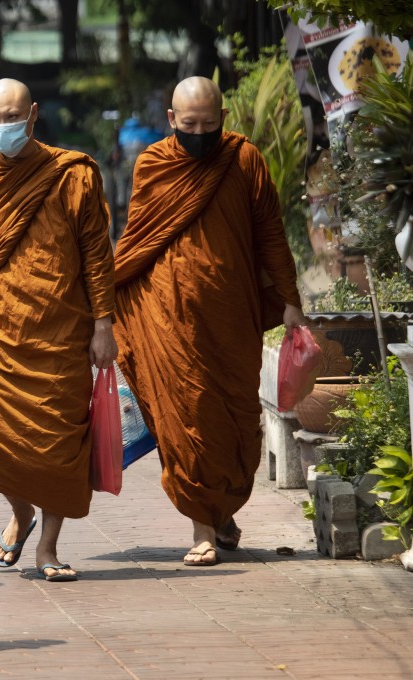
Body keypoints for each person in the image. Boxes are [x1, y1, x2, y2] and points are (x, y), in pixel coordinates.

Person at [112, 76, 305, 566]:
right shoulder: (153, 163)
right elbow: (139, 237)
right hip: (168, 313)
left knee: (236, 422)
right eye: (189, 125)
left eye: (210, 124)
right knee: (186, 419)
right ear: (171, 121)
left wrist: (290, 299)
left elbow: (270, 235)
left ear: (223, 119)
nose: (200, 133)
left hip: (230, 316)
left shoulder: (243, 160)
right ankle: (201, 527)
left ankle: (221, 512)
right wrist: (105, 297)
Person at [0, 79, 118, 583]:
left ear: (34, 114)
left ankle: (49, 546)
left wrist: (103, 324)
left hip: (64, 333)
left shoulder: (73, 174)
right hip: (4, 334)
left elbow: (96, 253)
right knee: (1, 444)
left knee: (61, 447)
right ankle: (21, 516)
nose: (3, 128)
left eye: (12, 117)